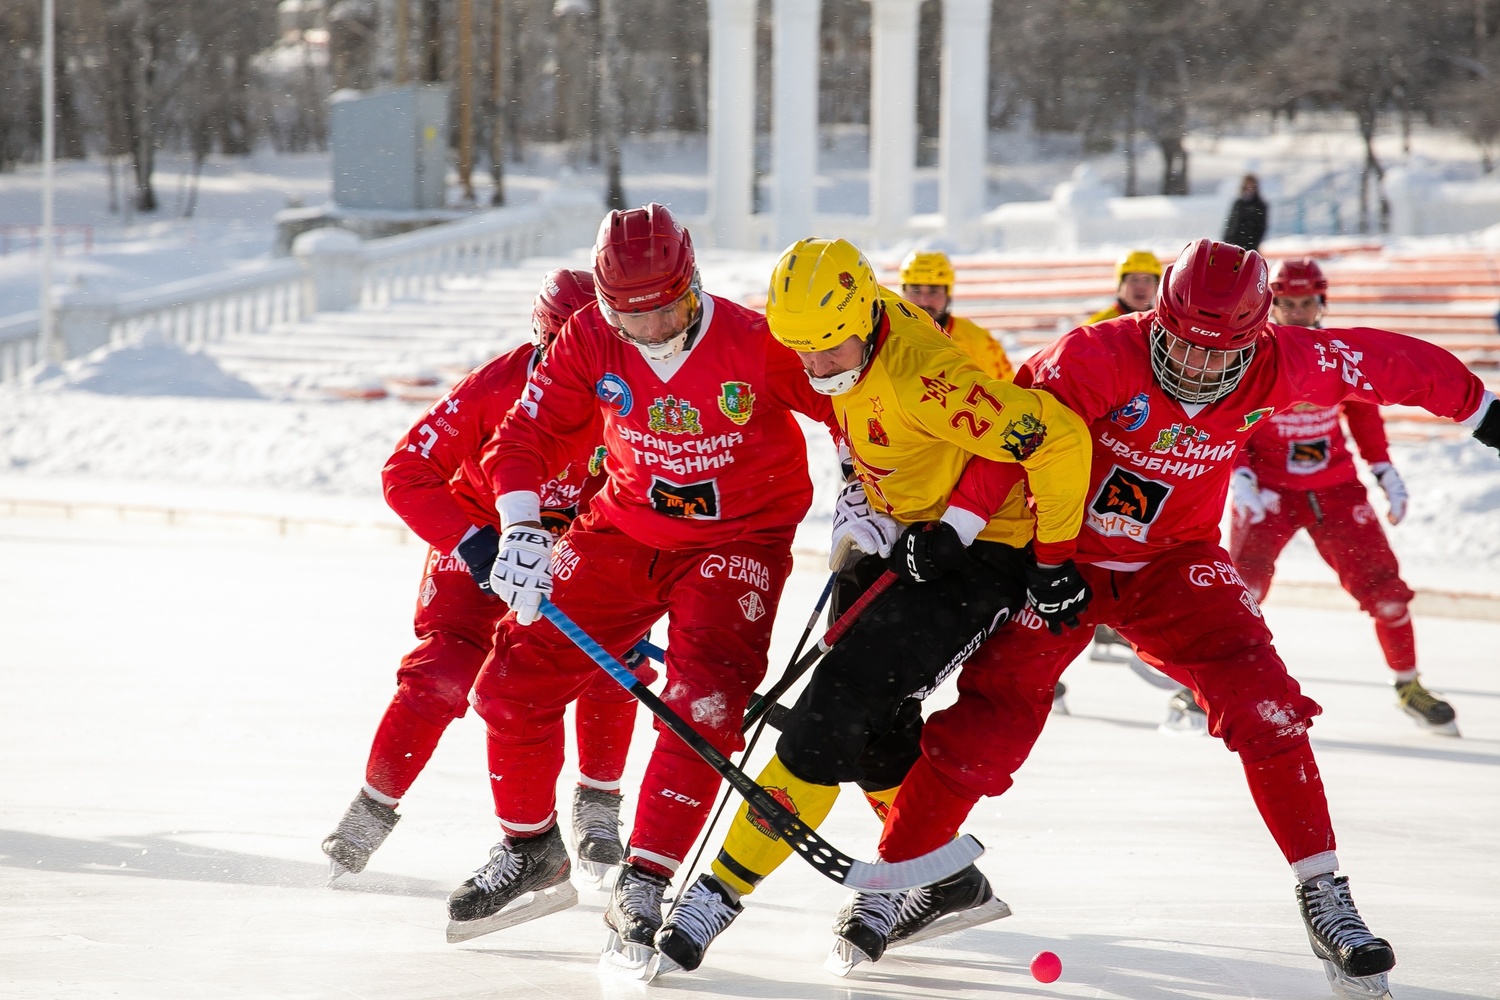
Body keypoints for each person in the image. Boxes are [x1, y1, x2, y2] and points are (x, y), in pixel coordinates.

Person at [835, 239, 1500, 995]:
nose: (1198, 370)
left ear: (1258, 336)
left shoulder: (1284, 360)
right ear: (1156, 318)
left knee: (1268, 704)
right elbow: (1012, 443)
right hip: (1064, 563)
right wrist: (955, 527)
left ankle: (1324, 892)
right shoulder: (1089, 356)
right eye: (1180, 346)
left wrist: (1479, 409)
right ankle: (895, 881)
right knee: (991, 719)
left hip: (1174, 563)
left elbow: (1386, 362)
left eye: (1221, 359)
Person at [649, 237, 1093, 976]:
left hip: (981, 557)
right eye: (803, 355)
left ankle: (718, 893)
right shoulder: (847, 329)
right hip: (899, 534)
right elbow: (860, 420)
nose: (817, 371)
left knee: (832, 709)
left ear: (864, 314)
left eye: (829, 353)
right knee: (873, 723)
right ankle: (941, 879)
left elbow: (1056, 437)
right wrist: (863, 498)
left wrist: (1043, 561)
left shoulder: (930, 377)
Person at [443, 204, 842, 970]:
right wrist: (523, 525)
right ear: (603, 303)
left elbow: (851, 409)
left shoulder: (754, 339)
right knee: (510, 681)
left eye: (669, 306)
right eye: (634, 314)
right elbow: (524, 436)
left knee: (706, 703)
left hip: (740, 536)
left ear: (693, 283)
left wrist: (865, 495)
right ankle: (530, 850)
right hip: (623, 526)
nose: (655, 327)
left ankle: (647, 876)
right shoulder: (588, 337)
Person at [320, 268, 655, 882]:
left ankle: (598, 804)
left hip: (575, 540)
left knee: (614, 659)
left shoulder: (629, 395)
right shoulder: (495, 389)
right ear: (541, 341)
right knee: (443, 672)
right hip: (480, 534)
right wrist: (476, 545)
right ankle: (373, 807)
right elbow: (404, 473)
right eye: (563, 350)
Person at [1228, 257, 1457, 735]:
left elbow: (1364, 411)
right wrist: (1241, 473)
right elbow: (1233, 417)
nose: (1295, 312)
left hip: (1333, 488)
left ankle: (1408, 685)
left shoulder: (1339, 352)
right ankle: (1209, 685)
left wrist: (1383, 468)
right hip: (1270, 490)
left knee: (1386, 594)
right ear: (1271, 306)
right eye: (1285, 303)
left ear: (1321, 303)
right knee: (1239, 594)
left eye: (1305, 302)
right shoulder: (1253, 352)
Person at [898, 249, 1015, 380]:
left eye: (933, 291)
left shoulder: (978, 341)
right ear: (903, 292)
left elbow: (1008, 394)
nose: (924, 301)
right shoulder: (886, 336)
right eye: (916, 290)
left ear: (948, 293)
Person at [1086, 249, 1162, 324]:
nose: (1140, 286)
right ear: (1120, 285)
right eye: (1134, 279)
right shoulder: (1097, 326)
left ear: (1156, 287)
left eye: (1147, 280)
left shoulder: (1163, 325)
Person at [1222, 174, 1268, 250]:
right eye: (1247, 185)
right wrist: (1227, 241)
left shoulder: (1259, 205)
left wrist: (1252, 244)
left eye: (1251, 185)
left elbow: (1261, 227)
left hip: (1249, 247)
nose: (1249, 188)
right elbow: (1231, 224)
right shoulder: (1238, 203)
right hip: (1233, 245)